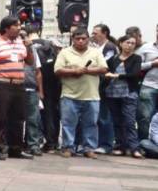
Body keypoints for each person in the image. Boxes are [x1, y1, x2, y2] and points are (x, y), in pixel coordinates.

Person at [54, 27, 109, 157]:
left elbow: (104, 69)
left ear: (88, 39)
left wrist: (86, 71)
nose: (80, 41)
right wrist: (74, 71)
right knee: (68, 124)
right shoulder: (65, 52)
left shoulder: (95, 52)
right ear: (72, 39)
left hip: (91, 96)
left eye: (83, 38)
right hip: (69, 95)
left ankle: (89, 148)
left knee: (91, 124)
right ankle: (68, 148)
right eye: (77, 38)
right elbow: (57, 70)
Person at [0, 16, 33, 160]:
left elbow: (30, 61)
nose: (19, 28)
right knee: (0, 117)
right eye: (16, 25)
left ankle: (15, 149)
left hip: (19, 84)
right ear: (6, 28)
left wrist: (28, 46)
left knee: (18, 118)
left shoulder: (20, 43)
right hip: (2, 83)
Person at [103, 35, 143, 158]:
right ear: (120, 43)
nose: (130, 45)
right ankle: (120, 146)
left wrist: (117, 76)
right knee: (117, 121)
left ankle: (134, 148)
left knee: (130, 121)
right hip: (112, 93)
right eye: (127, 42)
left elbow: (135, 74)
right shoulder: (113, 58)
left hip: (129, 93)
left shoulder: (136, 58)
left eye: (132, 43)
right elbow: (105, 71)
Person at [91, 24, 118, 154]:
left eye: (95, 33)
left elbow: (104, 65)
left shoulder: (110, 47)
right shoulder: (97, 47)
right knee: (97, 116)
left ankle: (106, 144)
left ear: (104, 33)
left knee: (104, 116)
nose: (93, 35)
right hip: (97, 86)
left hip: (106, 87)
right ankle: (98, 142)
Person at [18, 28, 45, 156]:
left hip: (31, 89)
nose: (22, 38)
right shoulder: (10, 49)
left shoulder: (32, 50)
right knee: (16, 119)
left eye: (24, 36)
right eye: (19, 36)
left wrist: (40, 91)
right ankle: (16, 144)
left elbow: (38, 72)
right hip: (15, 88)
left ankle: (33, 145)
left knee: (33, 119)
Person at [135, 24, 158, 142]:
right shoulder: (146, 48)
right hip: (149, 86)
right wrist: (152, 64)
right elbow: (135, 66)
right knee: (144, 117)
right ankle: (144, 143)